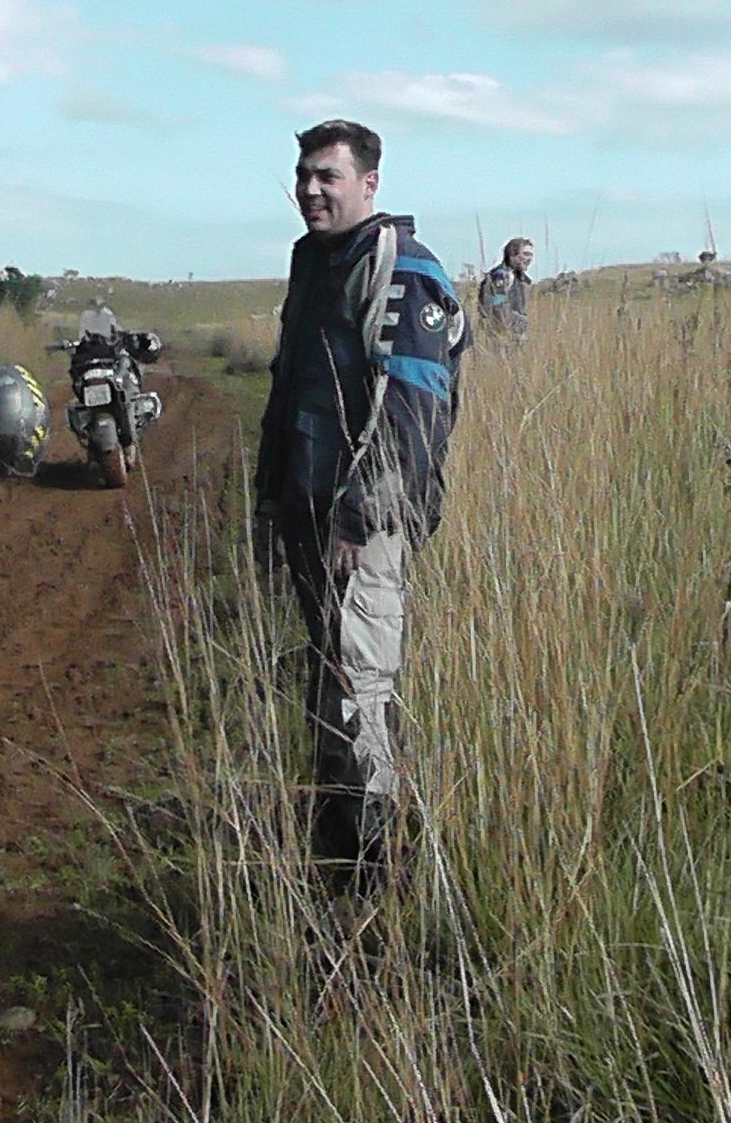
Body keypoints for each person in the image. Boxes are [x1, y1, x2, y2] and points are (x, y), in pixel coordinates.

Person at [252, 119, 468, 895]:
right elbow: (289, 391)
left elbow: (411, 412)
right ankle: (336, 844)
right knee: (328, 678)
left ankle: (375, 873)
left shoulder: (404, 269)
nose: (311, 189)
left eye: (328, 177)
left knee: (364, 687)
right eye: (304, 175)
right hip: (307, 515)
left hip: (361, 531)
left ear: (369, 183)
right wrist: (270, 502)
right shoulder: (316, 262)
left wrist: (355, 516)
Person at [477, 236, 535, 342]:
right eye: (526, 254)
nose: (529, 259)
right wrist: (507, 333)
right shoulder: (501, 275)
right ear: (512, 255)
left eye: (531, 255)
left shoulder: (520, 278)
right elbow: (497, 308)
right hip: (502, 337)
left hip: (516, 335)